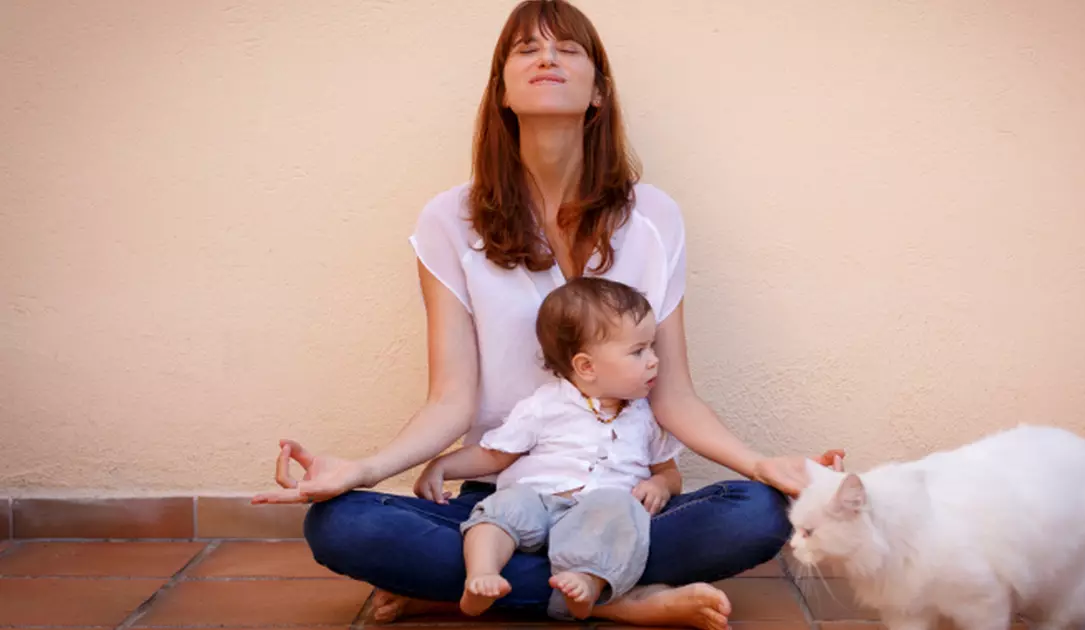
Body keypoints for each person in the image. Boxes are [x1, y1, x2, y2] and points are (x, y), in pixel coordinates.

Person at [252, 1, 844, 628]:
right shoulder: (448, 221)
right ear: (501, 91)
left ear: (598, 91)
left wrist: (759, 465)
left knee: (756, 511)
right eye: (525, 48)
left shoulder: (655, 218)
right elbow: (452, 399)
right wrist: (365, 469)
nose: (546, 57)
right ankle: (616, 595)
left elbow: (672, 394)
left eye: (568, 48)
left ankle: (482, 587)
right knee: (343, 524)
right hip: (507, 498)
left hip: (617, 505)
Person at [425, 277, 684, 620]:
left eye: (651, 347)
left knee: (620, 510)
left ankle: (585, 581)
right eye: (638, 352)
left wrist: (659, 486)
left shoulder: (646, 416)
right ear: (586, 366)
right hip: (538, 501)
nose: (654, 360)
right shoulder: (545, 405)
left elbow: (668, 473)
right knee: (505, 505)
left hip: (595, 516)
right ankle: (482, 573)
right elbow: (497, 454)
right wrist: (443, 466)